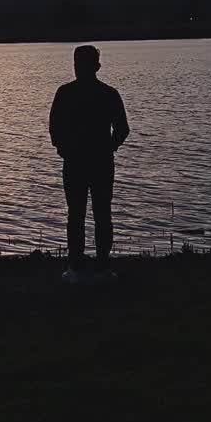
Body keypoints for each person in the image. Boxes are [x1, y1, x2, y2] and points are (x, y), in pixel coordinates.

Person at [49, 45, 130, 284]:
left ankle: (78, 267)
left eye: (80, 64)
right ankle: (100, 266)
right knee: (99, 214)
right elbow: (122, 129)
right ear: (98, 66)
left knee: (78, 215)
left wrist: (64, 149)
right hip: (97, 162)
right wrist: (109, 147)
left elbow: (55, 128)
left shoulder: (66, 93)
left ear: (94, 66)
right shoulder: (108, 94)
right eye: (78, 64)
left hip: (78, 162)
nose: (79, 68)